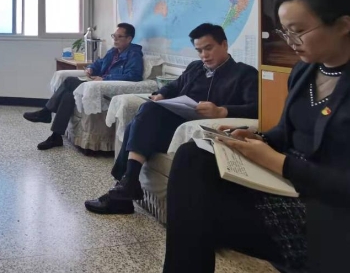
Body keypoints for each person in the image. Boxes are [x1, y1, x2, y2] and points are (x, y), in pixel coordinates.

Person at [157, 0, 350, 273]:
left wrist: (279, 162)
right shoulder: (304, 70)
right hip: (285, 183)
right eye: (285, 32)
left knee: (198, 211)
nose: (291, 42)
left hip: (323, 205)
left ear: (342, 25)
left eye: (299, 30)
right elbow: (286, 130)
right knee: (194, 156)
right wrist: (258, 139)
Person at [85, 23, 258, 214]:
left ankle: (125, 189)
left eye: (209, 48)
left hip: (199, 133)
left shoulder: (245, 74)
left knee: (143, 119)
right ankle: (125, 187)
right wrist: (161, 94)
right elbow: (174, 85)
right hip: (178, 124)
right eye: (199, 50)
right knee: (139, 120)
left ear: (224, 44)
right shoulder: (196, 68)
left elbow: (257, 109)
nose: (204, 55)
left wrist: (222, 111)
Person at [23, 23, 144, 150]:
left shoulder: (134, 54)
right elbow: (99, 63)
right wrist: (91, 69)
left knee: (70, 81)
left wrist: (105, 79)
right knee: (68, 96)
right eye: (114, 36)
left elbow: (134, 75)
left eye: (119, 37)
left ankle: (46, 112)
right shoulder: (113, 52)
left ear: (129, 39)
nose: (115, 39)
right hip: (97, 83)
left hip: (106, 88)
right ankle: (56, 136)